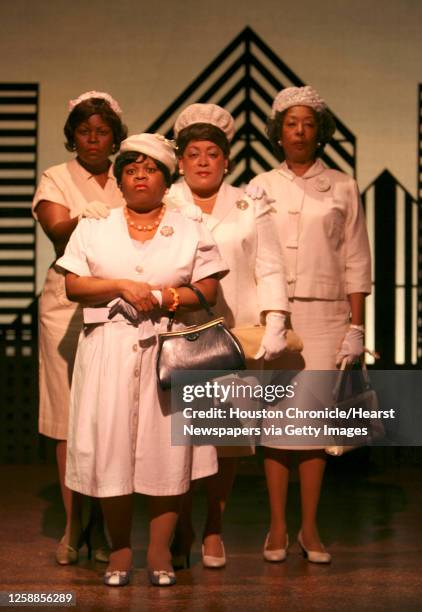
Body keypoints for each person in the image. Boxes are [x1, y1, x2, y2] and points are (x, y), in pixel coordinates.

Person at [56, 133, 229, 587]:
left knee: (166, 450)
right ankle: (119, 548)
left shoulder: (189, 225)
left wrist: (166, 295)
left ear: (166, 177)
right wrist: (119, 285)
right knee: (111, 446)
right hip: (108, 346)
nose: (139, 176)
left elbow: (208, 290)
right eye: (130, 169)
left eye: (149, 169)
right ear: (120, 178)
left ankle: (158, 552)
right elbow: (73, 285)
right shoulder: (96, 224)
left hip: (167, 348)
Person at [248, 86, 372, 563]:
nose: (298, 131)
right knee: (277, 422)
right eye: (290, 123)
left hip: (324, 315)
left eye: (307, 123)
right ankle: (277, 526)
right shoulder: (261, 185)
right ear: (277, 132)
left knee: (315, 425)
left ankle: (310, 527)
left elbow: (356, 258)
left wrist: (355, 327)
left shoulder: (342, 185)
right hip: (276, 313)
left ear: (320, 132)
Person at [170, 103, 290, 569]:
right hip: (179, 330)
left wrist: (276, 317)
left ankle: (214, 529)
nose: (203, 161)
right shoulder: (167, 199)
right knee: (179, 436)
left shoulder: (249, 202)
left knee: (229, 438)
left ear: (226, 161)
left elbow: (270, 263)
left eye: (213, 153)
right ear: (180, 161)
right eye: (194, 153)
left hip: (235, 331)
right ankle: (179, 524)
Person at [32, 91, 127, 565]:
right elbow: (53, 228)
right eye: (85, 130)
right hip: (65, 309)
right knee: (69, 417)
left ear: (115, 137)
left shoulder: (129, 175)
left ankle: (109, 527)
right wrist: (78, 220)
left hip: (117, 304)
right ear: (72, 136)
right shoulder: (57, 177)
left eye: (102, 130)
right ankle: (73, 526)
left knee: (108, 415)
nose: (93, 138)